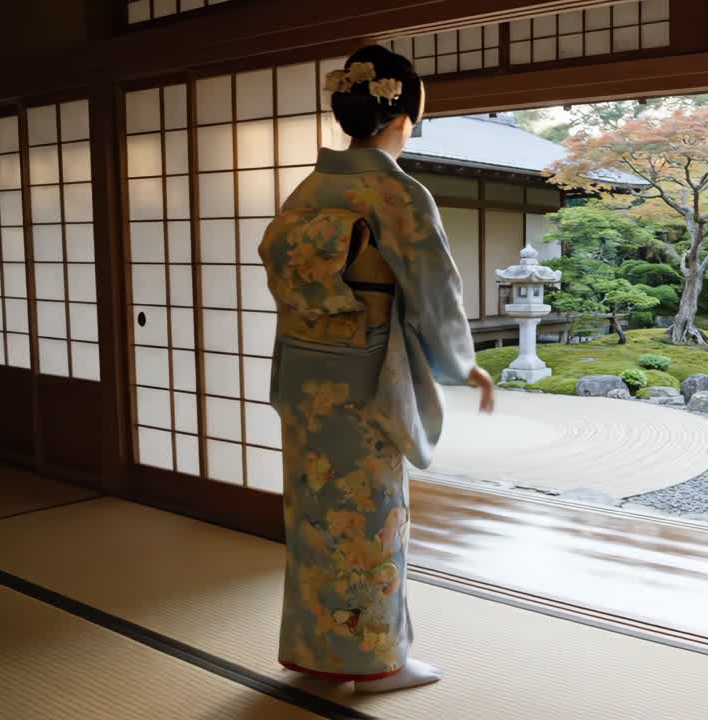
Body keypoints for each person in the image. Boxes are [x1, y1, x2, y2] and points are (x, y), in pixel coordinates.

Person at [258, 45, 494, 693]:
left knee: (312, 516)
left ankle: (315, 650)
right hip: (364, 382)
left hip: (303, 378)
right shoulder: (394, 192)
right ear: (404, 118)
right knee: (369, 515)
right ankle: (372, 661)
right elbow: (435, 292)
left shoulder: (312, 187)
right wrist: (461, 364)